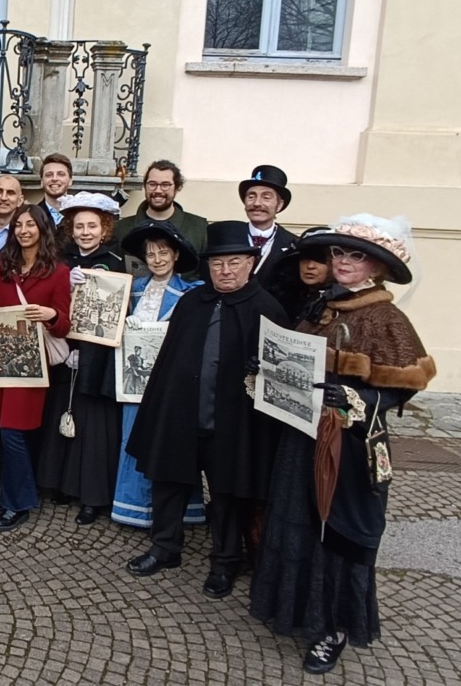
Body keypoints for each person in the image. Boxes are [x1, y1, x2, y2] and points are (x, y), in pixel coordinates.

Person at [249, 214, 436, 674]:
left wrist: (355, 397)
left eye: (356, 255)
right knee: (298, 522)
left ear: (377, 267)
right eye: (339, 253)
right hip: (301, 434)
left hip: (348, 446)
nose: (344, 262)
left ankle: (332, 627)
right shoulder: (320, 304)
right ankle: (297, 609)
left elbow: (402, 386)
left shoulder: (387, 317)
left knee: (338, 532)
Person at [124, 220, 288, 600]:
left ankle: (225, 563)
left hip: (234, 423)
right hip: (183, 415)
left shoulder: (268, 309)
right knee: (169, 483)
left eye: (233, 263)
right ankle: (165, 548)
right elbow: (168, 362)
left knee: (228, 495)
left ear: (250, 263)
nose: (225, 271)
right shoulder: (191, 304)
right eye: (217, 264)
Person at [0, 204, 72, 532]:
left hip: (32, 366)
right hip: (1, 360)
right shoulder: (2, 265)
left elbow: (63, 324)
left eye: (31, 224)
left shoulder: (59, 272)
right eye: (19, 225)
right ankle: (10, 492)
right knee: (4, 432)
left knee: (13, 431)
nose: (24, 230)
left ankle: (19, 501)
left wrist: (51, 315)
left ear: (43, 228)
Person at [36, 192, 125, 525]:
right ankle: (58, 482)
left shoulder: (115, 263)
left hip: (96, 356)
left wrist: (87, 351)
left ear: (104, 229)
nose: (85, 232)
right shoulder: (61, 261)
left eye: (92, 226)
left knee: (91, 426)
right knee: (59, 415)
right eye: (79, 226)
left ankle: (91, 495)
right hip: (63, 349)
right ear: (71, 230)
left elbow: (113, 315)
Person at [109, 219, 205, 529]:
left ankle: (176, 511)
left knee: (166, 444)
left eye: (164, 253)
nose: (158, 260)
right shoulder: (133, 290)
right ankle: (133, 508)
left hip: (169, 384)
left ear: (176, 255)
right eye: (151, 254)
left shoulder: (190, 293)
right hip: (133, 384)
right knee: (132, 439)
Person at [113, 159, 208, 279]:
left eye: (165, 185)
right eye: (152, 184)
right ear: (145, 186)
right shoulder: (121, 228)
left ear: (177, 187)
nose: (158, 190)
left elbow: (205, 276)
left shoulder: (199, 228)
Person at [238, 165, 298, 298]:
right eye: (251, 196)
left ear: (279, 205)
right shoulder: (229, 236)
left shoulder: (293, 245)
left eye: (266, 197)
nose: (257, 203)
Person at [268, 226, 341, 325]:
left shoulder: (341, 301)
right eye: (305, 258)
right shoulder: (285, 296)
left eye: (320, 260)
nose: (310, 266)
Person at [37, 154, 73, 227]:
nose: (54, 178)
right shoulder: (32, 215)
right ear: (41, 182)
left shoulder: (79, 213)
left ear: (70, 181)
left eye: (61, 174)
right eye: (49, 175)